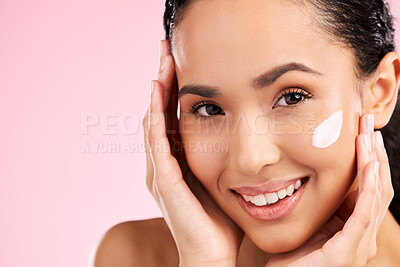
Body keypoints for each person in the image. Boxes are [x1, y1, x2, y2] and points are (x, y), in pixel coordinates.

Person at [91, 0, 400, 266]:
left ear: (380, 92)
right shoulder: (136, 256)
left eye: (292, 97)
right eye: (209, 109)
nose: (250, 159)